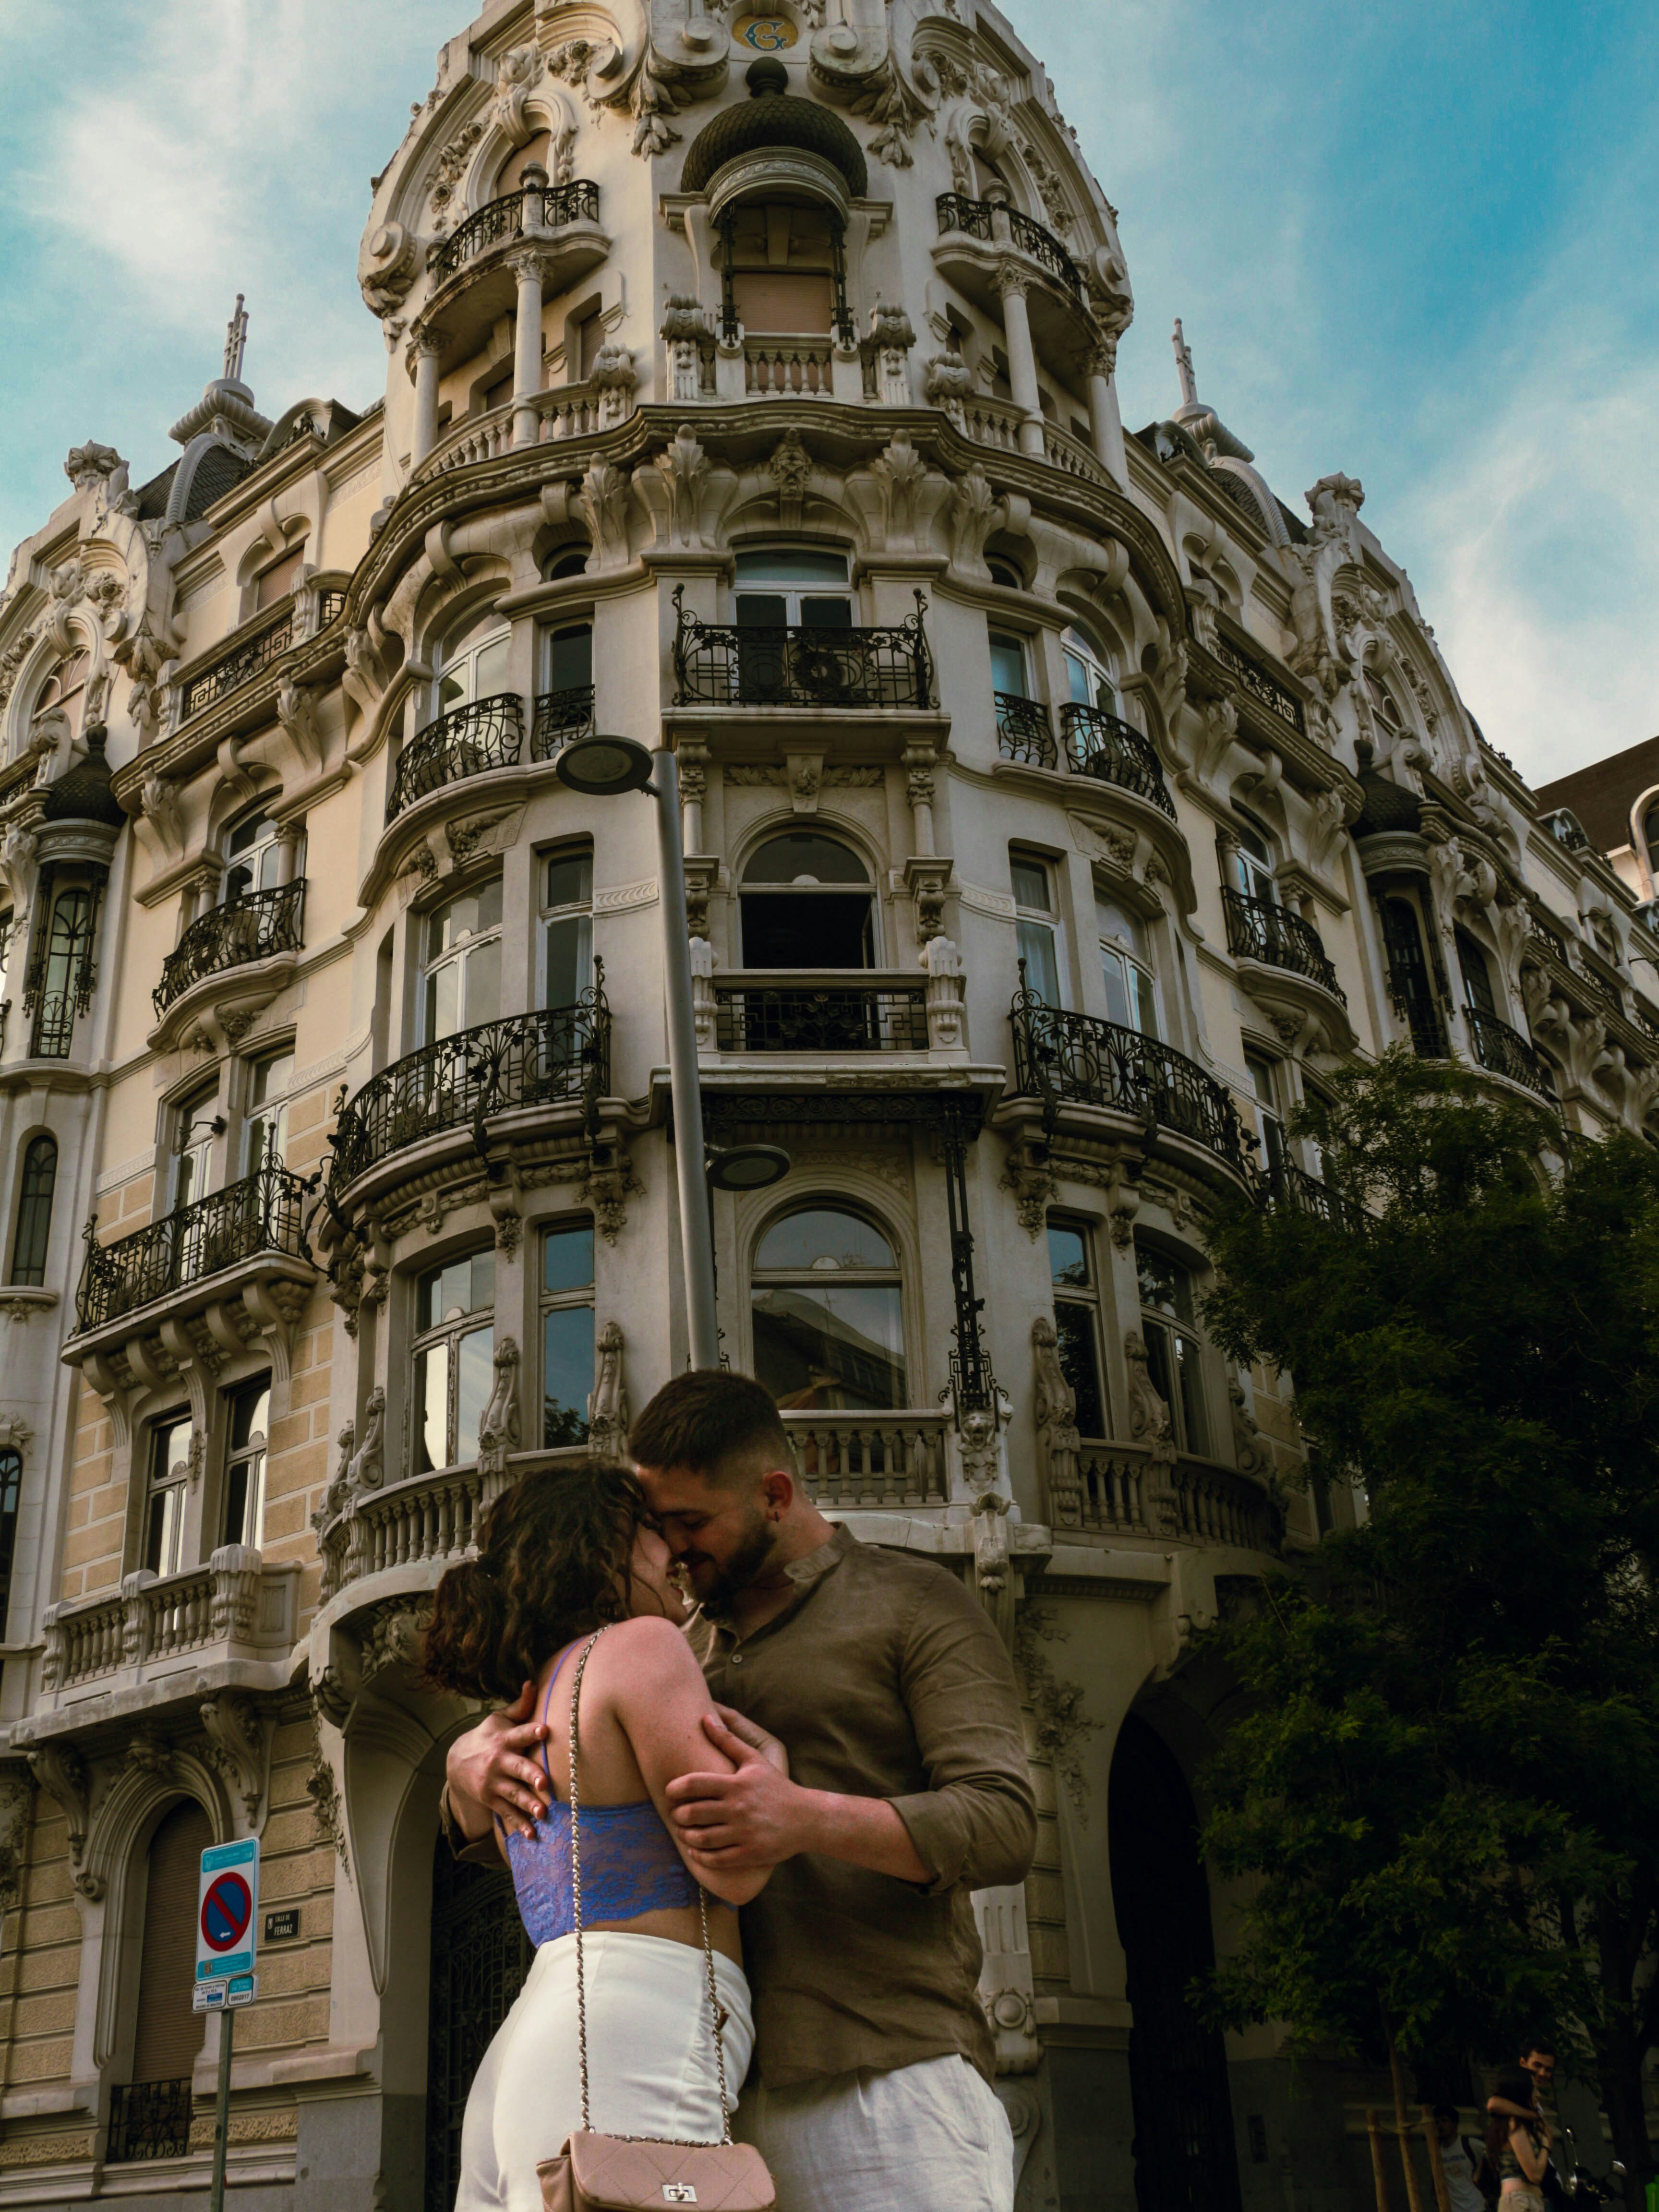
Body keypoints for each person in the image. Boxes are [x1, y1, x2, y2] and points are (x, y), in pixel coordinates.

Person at [445, 1369, 1037, 2212]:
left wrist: (804, 1817)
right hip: (709, 2091)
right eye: (656, 1527)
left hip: (886, 2073)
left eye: (688, 1522)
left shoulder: (914, 1601)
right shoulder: (659, 1641)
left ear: (773, 1493)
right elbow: (547, 1793)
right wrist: (463, 1766)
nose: (672, 1546)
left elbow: (1005, 1821)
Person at [423, 1459, 774, 2212]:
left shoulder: (528, 1704)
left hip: (533, 2043)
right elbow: (736, 1867)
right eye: (653, 1530)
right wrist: (769, 1776)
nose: (674, 1551)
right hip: (640, 2025)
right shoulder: (643, 1649)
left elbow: (473, 1814)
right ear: (600, 1545)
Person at [1488, 2041, 1565, 2207]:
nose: (1542, 2073)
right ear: (1523, 2063)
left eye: (1548, 2069)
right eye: (1537, 2066)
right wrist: (1533, 2118)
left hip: (1541, 2192)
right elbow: (1493, 2104)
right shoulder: (1516, 2118)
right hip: (1522, 2196)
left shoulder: (1533, 2105)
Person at [1485, 2064, 1551, 2212]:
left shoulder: (1522, 2123)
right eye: (1534, 2090)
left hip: (1527, 2200)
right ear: (1522, 2092)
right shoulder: (1514, 2125)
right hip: (1520, 2201)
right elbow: (1534, 2175)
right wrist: (1546, 2146)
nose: (1538, 2095)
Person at [1434, 2105, 1492, 2212]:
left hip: (1476, 2206)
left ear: (1455, 2124)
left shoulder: (1470, 2144)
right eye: (1437, 2122)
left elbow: (1491, 2155)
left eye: (1444, 2121)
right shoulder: (1437, 2152)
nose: (1440, 2126)